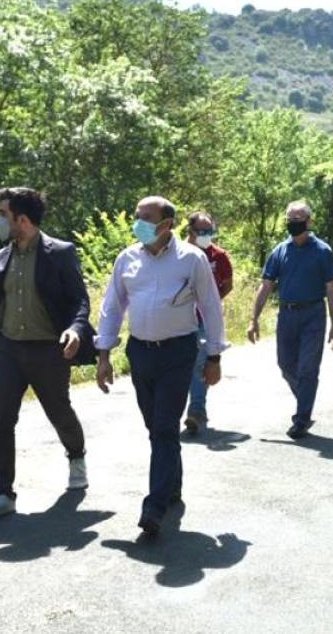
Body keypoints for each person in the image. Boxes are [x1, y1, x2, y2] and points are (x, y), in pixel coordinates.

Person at [94, 196, 226, 536]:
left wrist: (214, 356)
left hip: (178, 353)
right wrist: (104, 354)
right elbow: (112, 306)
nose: (139, 223)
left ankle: (154, 507)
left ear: (166, 224)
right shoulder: (127, 259)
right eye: (137, 216)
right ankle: (172, 485)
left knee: (166, 426)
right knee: (157, 427)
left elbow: (211, 307)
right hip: (141, 353)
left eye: (146, 217)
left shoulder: (191, 259)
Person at [0, 187, 97, 520]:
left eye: (3, 214)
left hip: (47, 351)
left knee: (59, 411)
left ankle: (76, 455)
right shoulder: (0, 256)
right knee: (0, 419)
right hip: (7, 349)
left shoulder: (60, 253)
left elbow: (80, 301)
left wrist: (75, 329)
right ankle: (2, 492)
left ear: (21, 219)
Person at [246, 200, 333, 439]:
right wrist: (253, 319)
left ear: (309, 222)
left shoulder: (322, 251)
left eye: (299, 220)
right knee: (286, 365)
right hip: (287, 316)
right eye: (290, 220)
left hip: (313, 316)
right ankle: (306, 400)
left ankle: (302, 418)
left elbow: (330, 289)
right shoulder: (280, 251)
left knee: (308, 368)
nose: (294, 224)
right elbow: (266, 286)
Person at [183, 211, 233, 435]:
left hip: (204, 320)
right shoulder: (177, 253)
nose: (206, 235)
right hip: (178, 320)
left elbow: (228, 284)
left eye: (209, 231)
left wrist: (209, 304)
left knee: (200, 362)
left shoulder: (219, 256)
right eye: (201, 231)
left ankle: (196, 410)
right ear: (190, 231)